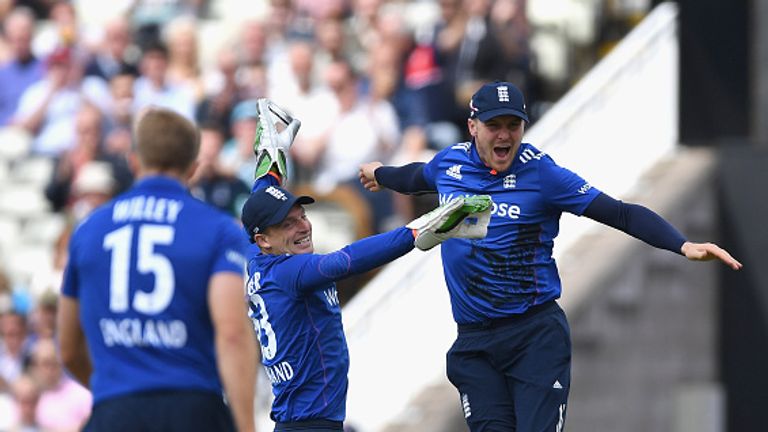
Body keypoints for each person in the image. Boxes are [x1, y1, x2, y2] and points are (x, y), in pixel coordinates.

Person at [358, 81, 744, 432]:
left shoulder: (543, 174)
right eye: (495, 125)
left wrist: (682, 245)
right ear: (473, 126)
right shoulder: (450, 163)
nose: (506, 135)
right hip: (474, 343)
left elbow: (620, 212)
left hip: (534, 337)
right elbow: (417, 176)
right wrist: (381, 173)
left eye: (514, 125)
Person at [244, 98, 491, 432]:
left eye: (301, 215)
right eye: (288, 224)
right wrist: (418, 230)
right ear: (264, 240)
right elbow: (347, 260)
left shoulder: (263, 254)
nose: (303, 227)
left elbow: (264, 190)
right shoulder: (292, 272)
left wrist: (271, 158)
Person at [56, 107, 258, 432]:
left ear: (133, 160)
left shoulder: (88, 231)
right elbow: (233, 333)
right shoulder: (218, 230)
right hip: (194, 408)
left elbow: (67, 348)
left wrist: (113, 393)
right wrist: (246, 425)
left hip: (115, 412)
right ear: (193, 168)